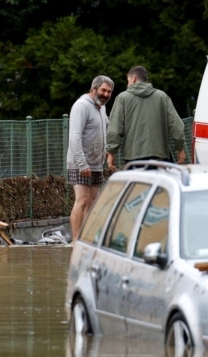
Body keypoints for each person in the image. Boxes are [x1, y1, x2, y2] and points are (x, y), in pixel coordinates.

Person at [106, 66, 186, 170]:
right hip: (160, 157)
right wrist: (180, 148)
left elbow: (115, 129)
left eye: (128, 80)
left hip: (134, 159)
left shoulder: (122, 98)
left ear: (133, 78)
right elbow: (177, 126)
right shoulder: (162, 96)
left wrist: (111, 152)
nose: (127, 84)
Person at [67, 75, 114, 240]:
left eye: (109, 91)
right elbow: (74, 137)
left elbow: (104, 132)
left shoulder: (101, 107)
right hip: (80, 162)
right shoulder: (81, 106)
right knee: (82, 201)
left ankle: (86, 239)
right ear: (94, 89)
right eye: (103, 90)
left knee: (93, 203)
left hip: (96, 163)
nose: (106, 94)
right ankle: (75, 240)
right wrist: (82, 163)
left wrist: (108, 154)